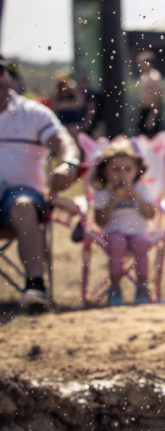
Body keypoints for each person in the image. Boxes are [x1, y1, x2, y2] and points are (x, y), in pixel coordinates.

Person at [0, 55, 81, 311]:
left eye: (0, 71)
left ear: (9, 77)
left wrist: (68, 164)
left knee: (23, 204)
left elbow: (63, 142)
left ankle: (35, 286)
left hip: (22, 194)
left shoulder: (33, 113)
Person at [91, 138, 157, 306]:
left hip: (138, 233)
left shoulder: (141, 190)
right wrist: (113, 200)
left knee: (142, 243)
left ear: (137, 170)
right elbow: (100, 220)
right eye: (115, 169)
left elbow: (150, 214)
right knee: (117, 242)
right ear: (104, 171)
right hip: (114, 233)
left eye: (127, 169)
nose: (122, 175)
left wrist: (137, 197)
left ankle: (142, 286)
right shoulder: (103, 194)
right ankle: (115, 287)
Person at [50, 69, 87, 140]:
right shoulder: (57, 93)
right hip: (62, 119)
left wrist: (73, 88)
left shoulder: (73, 90)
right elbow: (55, 105)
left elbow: (80, 103)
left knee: (75, 138)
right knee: (64, 139)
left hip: (73, 119)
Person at [135, 51, 164, 138]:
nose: (139, 65)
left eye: (141, 62)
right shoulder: (144, 76)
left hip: (151, 110)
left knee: (149, 137)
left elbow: (158, 98)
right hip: (143, 109)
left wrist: (152, 116)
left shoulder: (154, 77)